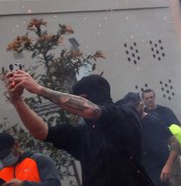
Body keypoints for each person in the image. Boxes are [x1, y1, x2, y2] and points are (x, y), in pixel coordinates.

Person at [5, 71, 153, 186]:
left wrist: (39, 89)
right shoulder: (83, 134)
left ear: (84, 97)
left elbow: (90, 110)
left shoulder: (123, 115)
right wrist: (17, 101)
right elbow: (41, 132)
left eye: (77, 99)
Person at [119, 92, 180, 186]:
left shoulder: (154, 121)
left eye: (134, 107)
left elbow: (174, 142)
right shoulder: (132, 125)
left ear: (140, 105)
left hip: (161, 173)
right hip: (146, 175)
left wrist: (168, 165)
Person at [141, 89, 181, 186]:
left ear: (155, 97)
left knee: (175, 181)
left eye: (151, 97)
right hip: (155, 158)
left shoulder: (166, 111)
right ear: (143, 100)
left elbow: (178, 128)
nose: (150, 100)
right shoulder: (142, 116)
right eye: (147, 98)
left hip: (170, 153)